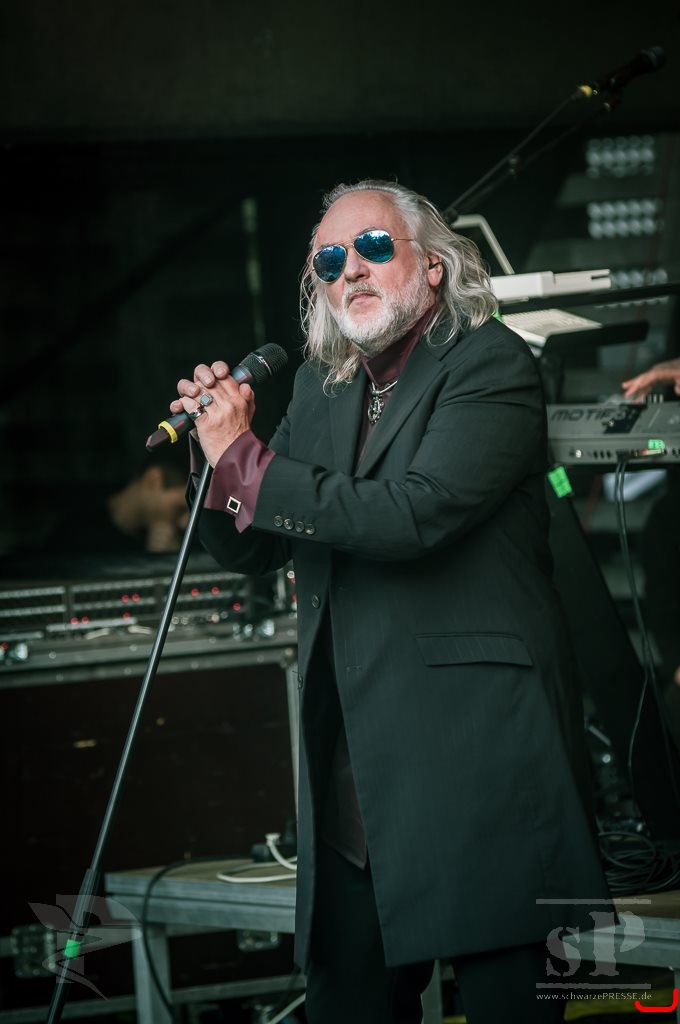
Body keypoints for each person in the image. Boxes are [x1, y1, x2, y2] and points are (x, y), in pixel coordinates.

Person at [172, 180, 611, 1024]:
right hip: (356, 786)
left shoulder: (490, 364)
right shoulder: (323, 388)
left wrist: (247, 462)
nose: (351, 270)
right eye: (329, 260)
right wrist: (216, 455)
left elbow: (414, 514)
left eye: (374, 246)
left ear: (434, 266)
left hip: (480, 767)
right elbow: (258, 544)